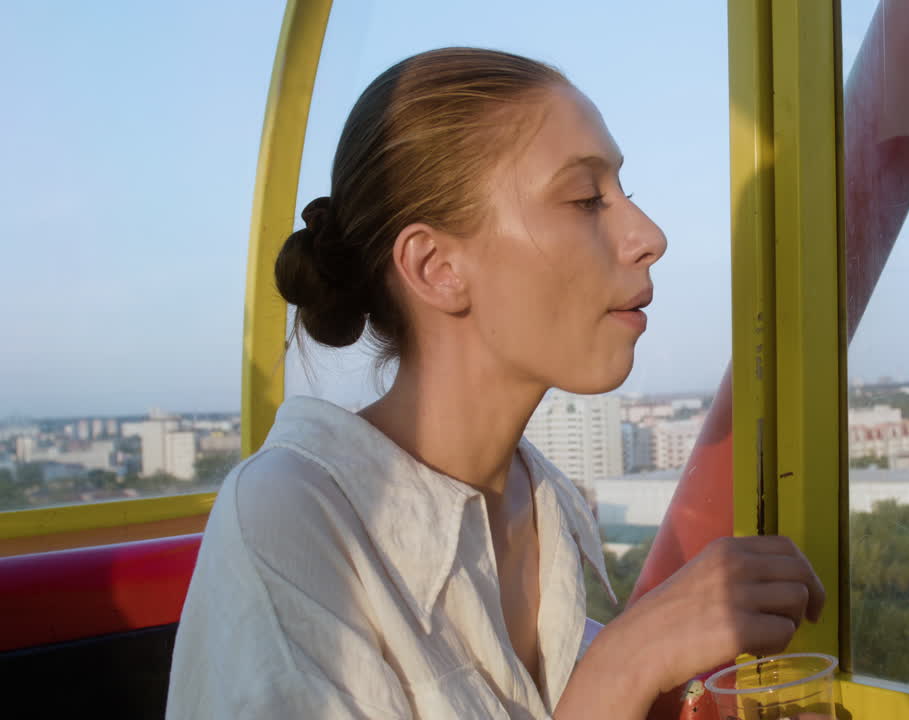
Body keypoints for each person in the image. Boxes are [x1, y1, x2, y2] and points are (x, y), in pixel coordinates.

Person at [167, 47, 824, 720]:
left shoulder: (543, 508)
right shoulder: (288, 516)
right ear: (437, 267)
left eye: (625, 193)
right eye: (585, 199)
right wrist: (624, 663)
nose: (648, 235)